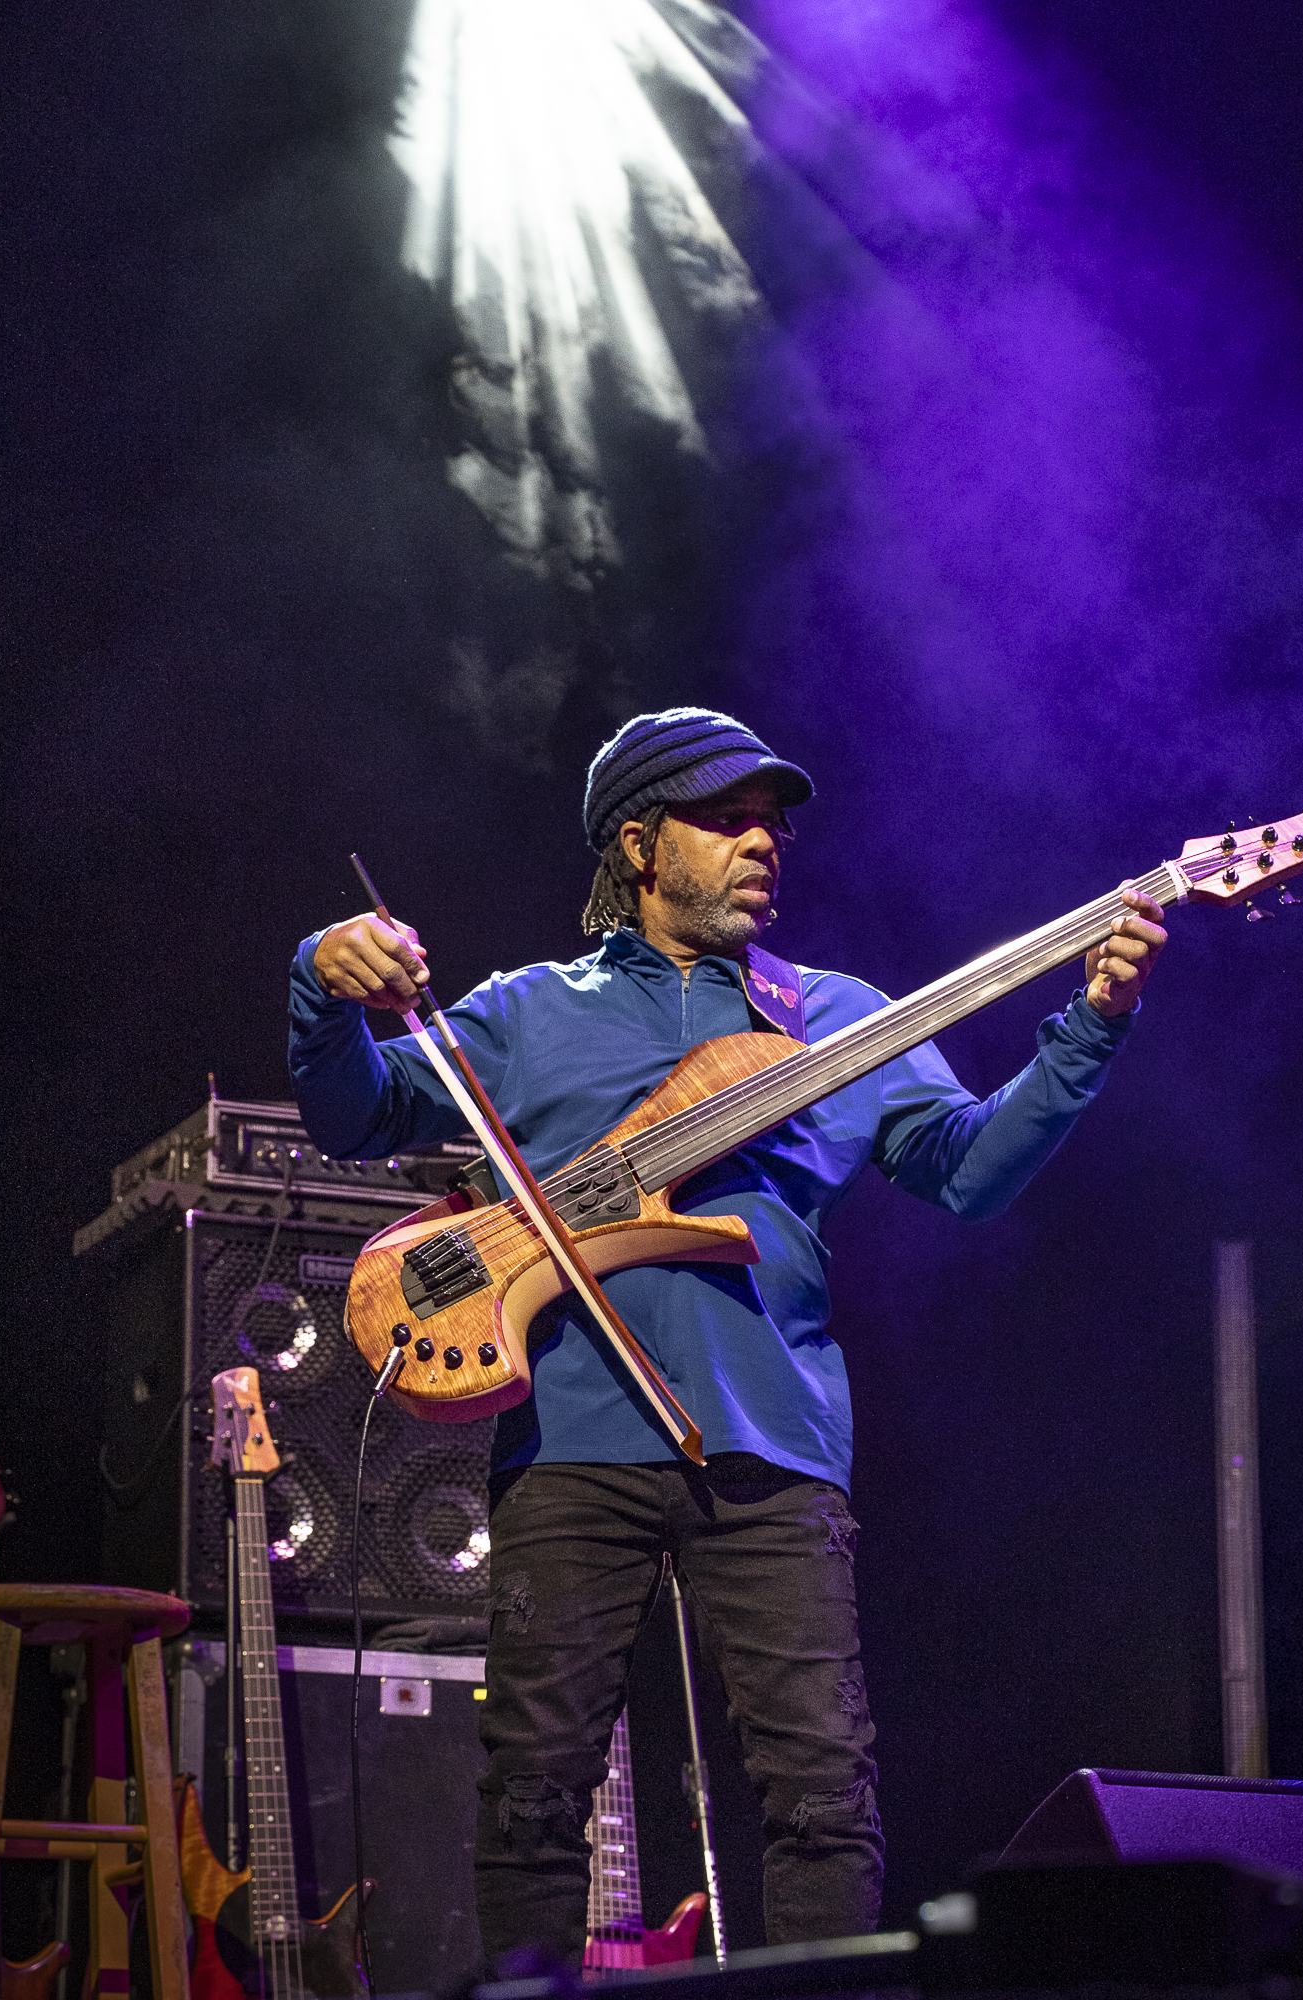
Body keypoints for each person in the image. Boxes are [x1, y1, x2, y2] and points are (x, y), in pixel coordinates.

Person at [288, 707, 1167, 1965]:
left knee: (820, 1794)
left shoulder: (838, 1016)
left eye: (774, 822)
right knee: (535, 1788)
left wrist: (1089, 1025)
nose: (764, 841)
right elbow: (355, 1110)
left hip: (772, 1444)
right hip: (571, 1444)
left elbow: (968, 1173)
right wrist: (321, 981)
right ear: (639, 845)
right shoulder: (529, 1012)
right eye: (726, 818)